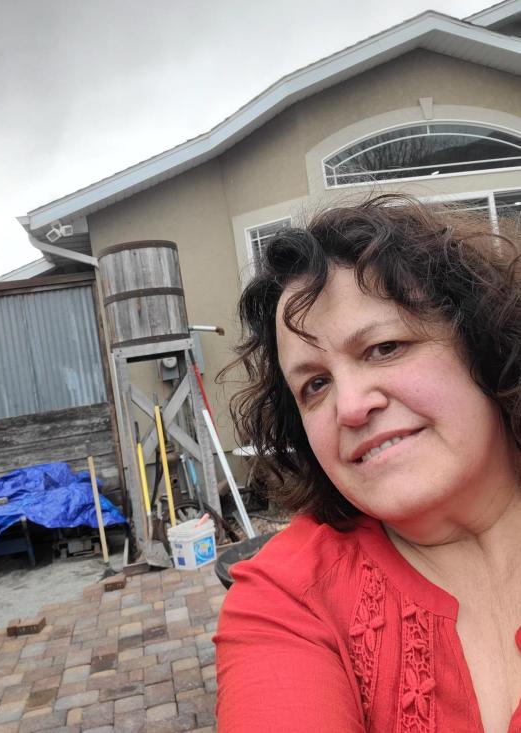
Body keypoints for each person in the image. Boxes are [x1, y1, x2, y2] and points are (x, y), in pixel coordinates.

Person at [214, 194, 521, 733]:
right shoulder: (284, 596)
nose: (350, 407)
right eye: (315, 385)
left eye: (384, 347)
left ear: (483, 341)